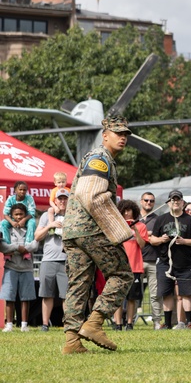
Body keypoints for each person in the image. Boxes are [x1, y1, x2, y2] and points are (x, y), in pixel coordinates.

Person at [60, 115, 136, 353]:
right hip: (91, 229)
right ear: (105, 136)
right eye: (118, 133)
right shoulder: (100, 157)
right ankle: (94, 323)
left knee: (78, 285)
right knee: (122, 274)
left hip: (72, 231)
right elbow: (90, 194)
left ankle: (72, 342)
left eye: (125, 134)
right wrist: (120, 229)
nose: (123, 138)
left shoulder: (99, 158)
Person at [147, 190, 191, 330]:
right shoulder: (161, 219)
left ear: (183, 202)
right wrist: (161, 239)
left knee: (187, 293)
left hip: (185, 263)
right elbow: (152, 239)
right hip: (165, 263)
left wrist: (184, 241)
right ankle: (168, 323)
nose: (175, 202)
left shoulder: (190, 220)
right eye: (173, 200)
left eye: (178, 200)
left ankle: (189, 322)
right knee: (166, 293)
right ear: (169, 202)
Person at [34, 187, 70, 332]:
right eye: (60, 199)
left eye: (65, 199)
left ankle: (68, 324)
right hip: (48, 260)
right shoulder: (46, 216)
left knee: (66, 295)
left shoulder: (73, 216)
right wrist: (50, 225)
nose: (62, 201)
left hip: (66, 260)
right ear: (55, 201)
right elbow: (37, 237)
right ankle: (44, 324)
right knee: (46, 294)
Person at [111, 199, 148, 331]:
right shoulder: (117, 226)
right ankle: (118, 323)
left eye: (129, 210)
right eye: (124, 211)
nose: (127, 213)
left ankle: (130, 323)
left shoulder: (141, 226)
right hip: (120, 267)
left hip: (135, 266)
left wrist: (135, 230)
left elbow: (142, 244)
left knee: (132, 297)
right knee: (119, 297)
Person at [1, 203, 38, 332]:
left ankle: (24, 324)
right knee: (9, 296)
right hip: (11, 267)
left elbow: (35, 245)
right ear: (11, 216)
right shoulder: (6, 229)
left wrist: (24, 249)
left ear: (25, 216)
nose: (18, 217)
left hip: (26, 268)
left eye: (21, 214)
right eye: (16, 215)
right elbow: (3, 247)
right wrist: (18, 247)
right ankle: (9, 324)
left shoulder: (30, 229)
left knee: (25, 297)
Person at [137, 192, 163, 329]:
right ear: (141, 201)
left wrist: (141, 234)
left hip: (153, 260)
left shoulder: (158, 219)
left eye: (151, 201)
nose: (149, 203)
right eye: (146, 200)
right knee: (133, 294)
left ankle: (157, 322)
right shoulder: (134, 218)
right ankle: (128, 321)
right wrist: (149, 234)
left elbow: (159, 237)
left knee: (155, 294)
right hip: (136, 260)